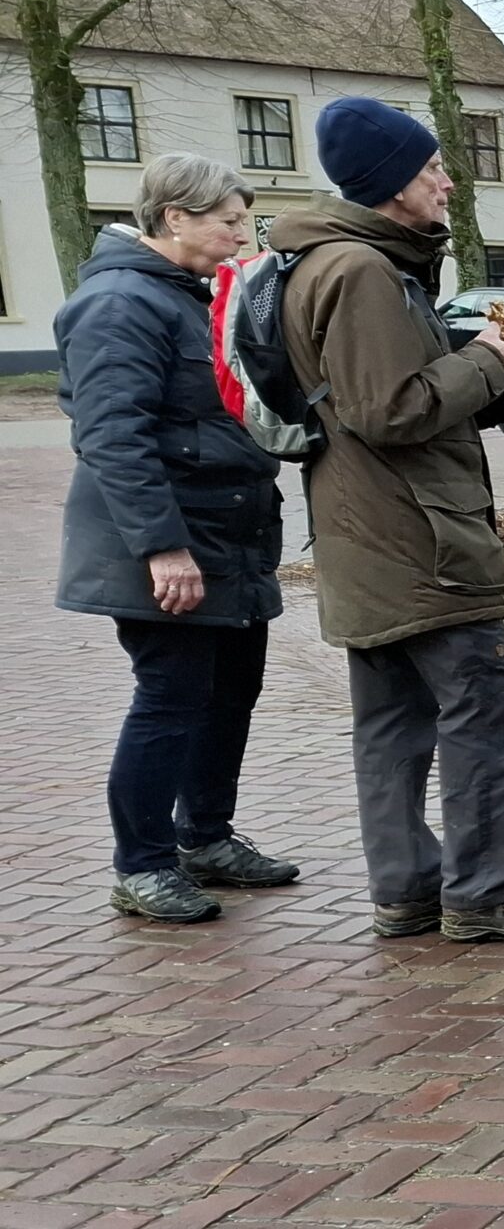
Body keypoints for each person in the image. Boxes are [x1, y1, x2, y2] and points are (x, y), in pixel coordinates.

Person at [269, 97, 504, 945]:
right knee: (486, 707)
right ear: (388, 185)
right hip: (419, 539)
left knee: (392, 723)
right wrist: (489, 361)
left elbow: (377, 397)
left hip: (363, 533)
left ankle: (406, 887)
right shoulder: (363, 271)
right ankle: (483, 891)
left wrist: (485, 379)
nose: (447, 181)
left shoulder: (328, 262)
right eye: (430, 169)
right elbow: (390, 409)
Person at [55, 155, 299, 923]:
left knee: (231, 692)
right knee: (171, 698)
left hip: (229, 534)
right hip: (171, 545)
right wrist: (162, 548)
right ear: (174, 220)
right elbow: (112, 436)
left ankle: (206, 837)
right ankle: (143, 864)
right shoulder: (119, 303)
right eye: (227, 221)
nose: (238, 235)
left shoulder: (194, 298)